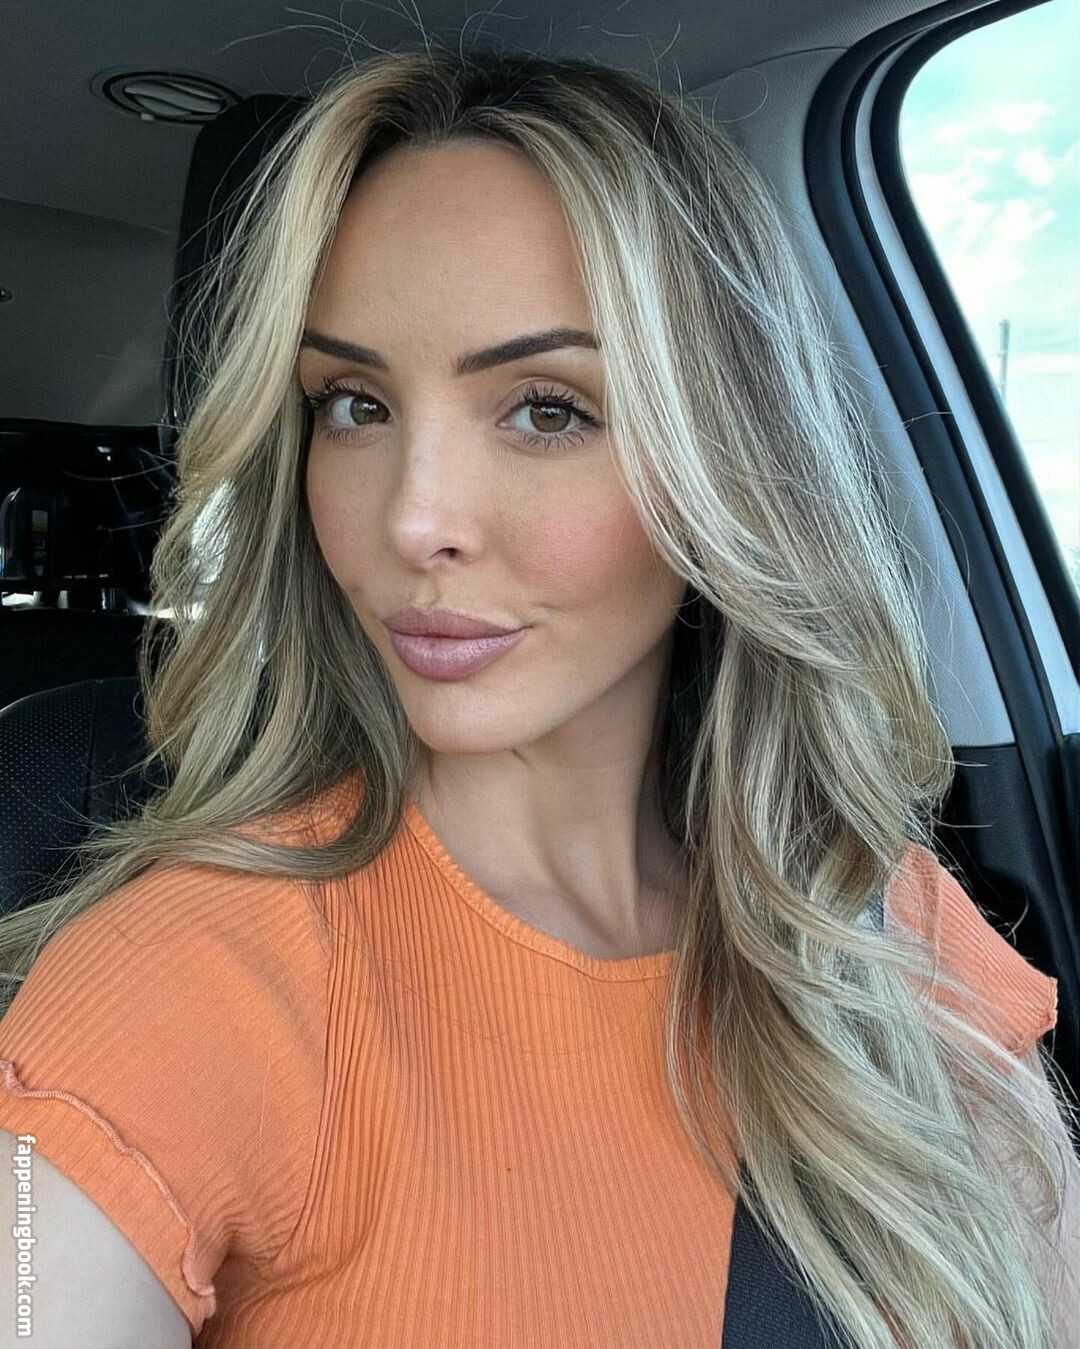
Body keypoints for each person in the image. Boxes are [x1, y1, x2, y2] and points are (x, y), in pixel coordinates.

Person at [0, 43, 1076, 1349]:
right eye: (355, 404)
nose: (415, 519)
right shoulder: (186, 979)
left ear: (726, 459)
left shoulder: (877, 918)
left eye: (547, 411)